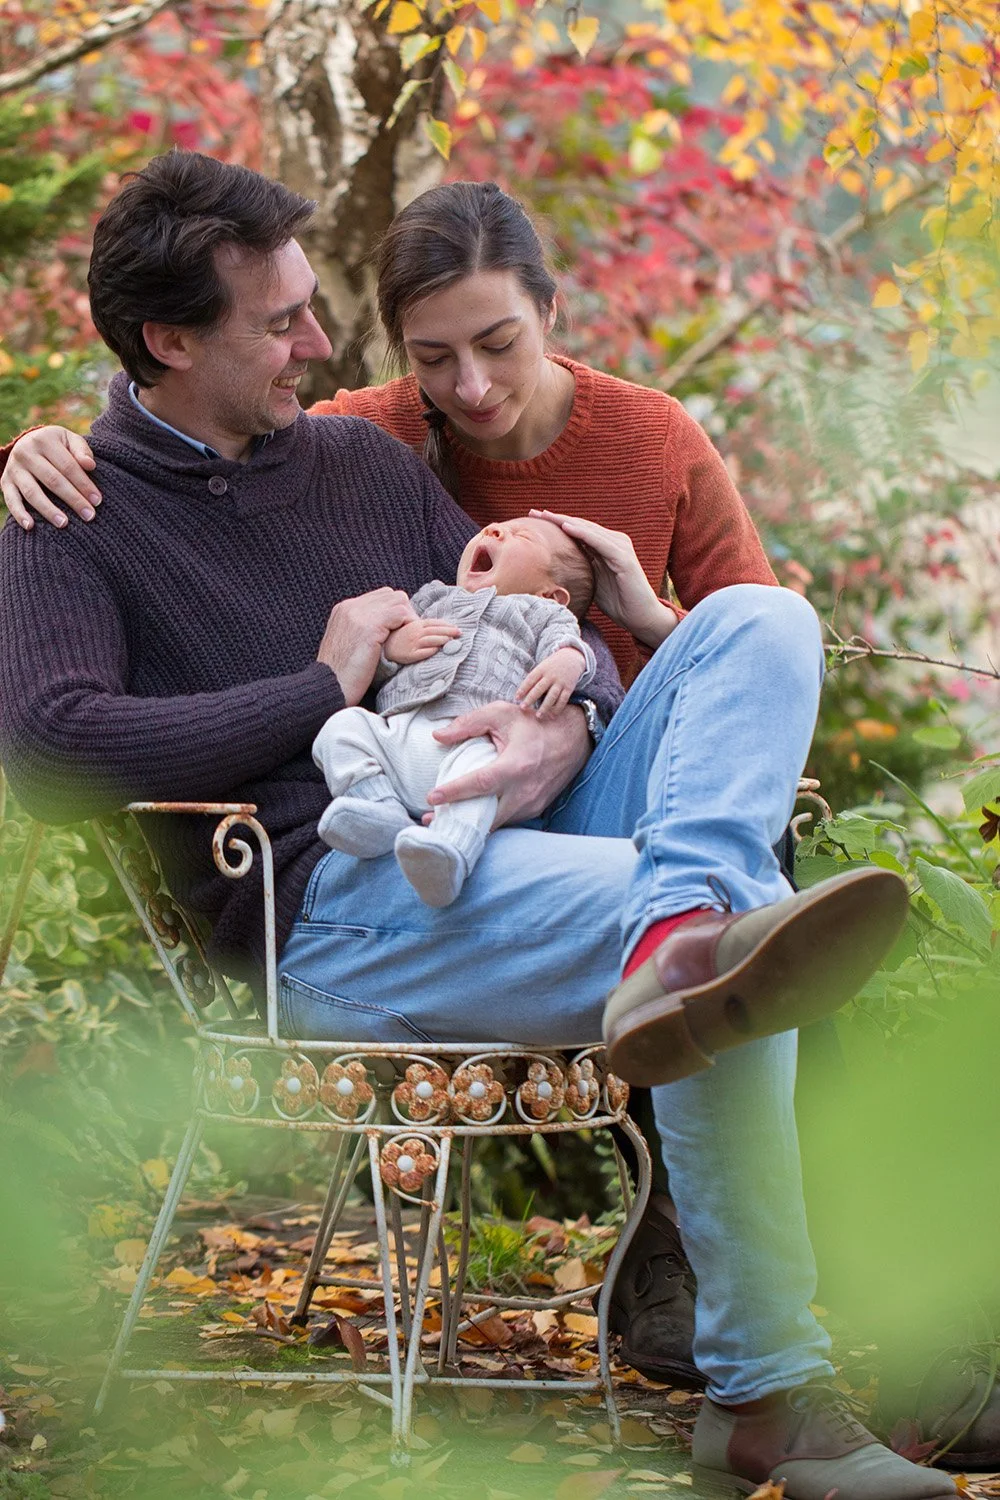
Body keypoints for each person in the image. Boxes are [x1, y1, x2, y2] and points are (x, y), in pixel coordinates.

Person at [0, 156, 953, 1500]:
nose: (319, 346)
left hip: (522, 816)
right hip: (336, 895)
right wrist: (319, 688)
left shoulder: (348, 459)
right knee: (729, 939)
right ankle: (769, 1393)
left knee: (764, 621)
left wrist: (584, 694)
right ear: (168, 340)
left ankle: (684, 928)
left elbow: (527, 636)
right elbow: (50, 750)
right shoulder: (73, 515)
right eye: (280, 325)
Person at [314, 515, 597, 907]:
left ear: (552, 594)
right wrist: (393, 648)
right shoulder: (432, 599)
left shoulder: (543, 614)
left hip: (475, 738)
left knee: (482, 775)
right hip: (400, 734)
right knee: (341, 728)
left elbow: (568, 645)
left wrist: (568, 659)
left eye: (520, 535)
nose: (494, 529)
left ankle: (449, 851)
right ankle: (377, 811)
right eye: (494, 527)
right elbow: (375, 664)